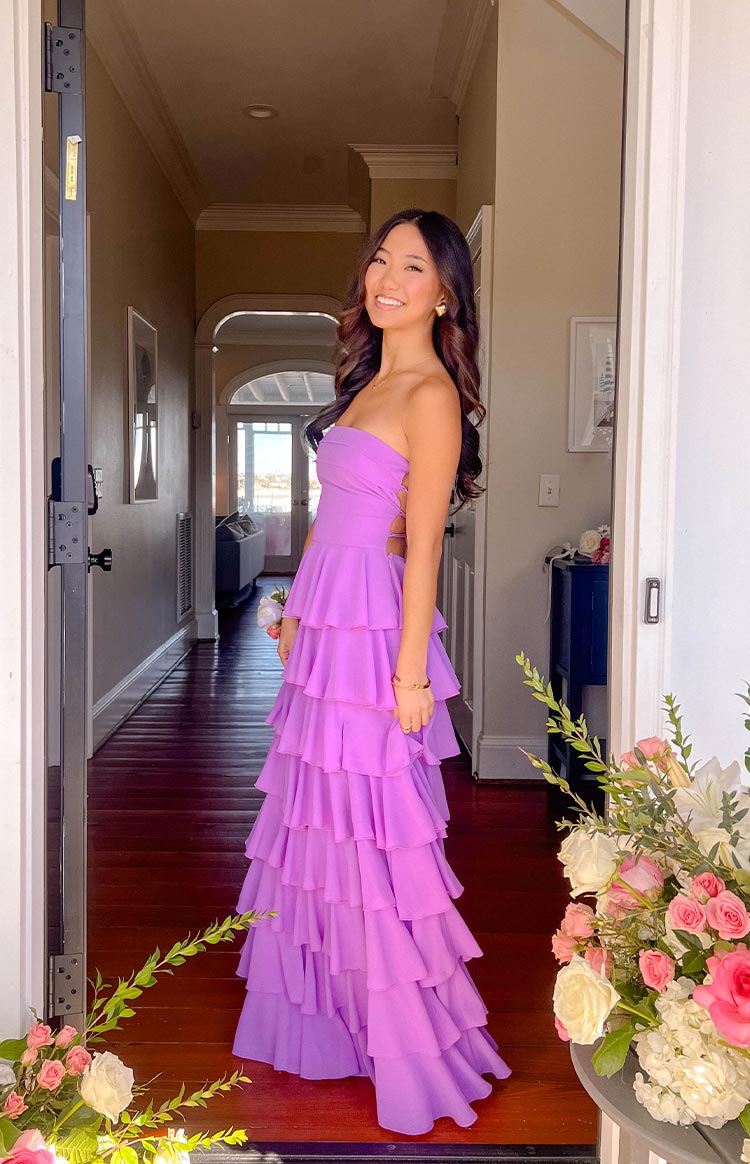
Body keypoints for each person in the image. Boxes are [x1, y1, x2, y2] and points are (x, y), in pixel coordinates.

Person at [232, 208, 510, 1135]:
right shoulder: (363, 386)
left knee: (377, 837)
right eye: (380, 261)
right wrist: (293, 610)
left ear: (445, 293)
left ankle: (405, 1042)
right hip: (325, 627)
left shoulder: (431, 395)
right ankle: (335, 1025)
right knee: (319, 825)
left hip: (377, 630)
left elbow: (422, 547)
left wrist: (410, 677)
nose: (386, 279)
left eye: (413, 266)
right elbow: (329, 520)